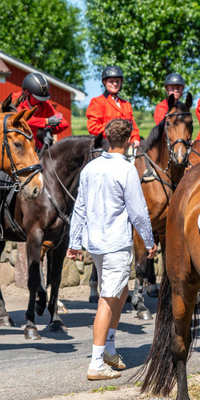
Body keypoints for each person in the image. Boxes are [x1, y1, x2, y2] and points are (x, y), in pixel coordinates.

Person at [67, 119, 155, 380]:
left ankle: (109, 348)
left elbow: (79, 207)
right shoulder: (127, 169)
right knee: (107, 300)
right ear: (128, 141)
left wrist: (74, 242)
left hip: (95, 243)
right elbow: (138, 212)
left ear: (106, 137)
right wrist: (149, 241)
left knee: (121, 290)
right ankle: (96, 363)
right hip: (115, 243)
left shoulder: (90, 168)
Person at [0, 73, 69, 239]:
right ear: (26, 93)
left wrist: (50, 128)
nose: (40, 102)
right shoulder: (14, 100)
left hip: (34, 149)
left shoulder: (44, 104)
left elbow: (64, 123)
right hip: (14, 149)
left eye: (42, 98)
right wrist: (46, 122)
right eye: (37, 98)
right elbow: (17, 118)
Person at [86, 65, 140, 148]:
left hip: (126, 145)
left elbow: (133, 126)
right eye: (111, 81)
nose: (115, 84)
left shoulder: (126, 104)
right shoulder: (97, 102)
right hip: (106, 145)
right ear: (104, 82)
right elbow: (93, 128)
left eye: (117, 81)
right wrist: (116, 133)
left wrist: (135, 138)